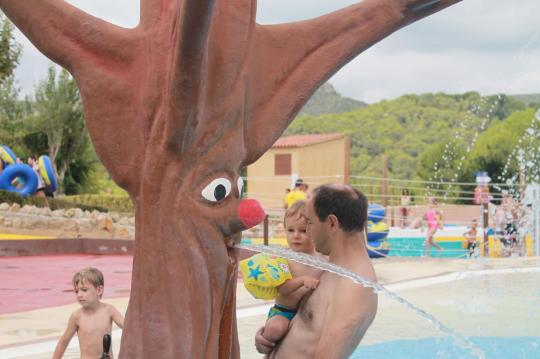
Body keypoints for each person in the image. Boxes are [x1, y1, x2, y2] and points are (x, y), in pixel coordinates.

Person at [255, 184, 378, 358]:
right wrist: (269, 336)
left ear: (332, 223)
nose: (309, 232)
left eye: (310, 223)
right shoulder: (331, 267)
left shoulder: (354, 287)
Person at [240, 200, 325, 345]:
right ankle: (268, 348)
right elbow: (282, 289)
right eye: (290, 230)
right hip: (284, 312)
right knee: (275, 329)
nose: (296, 236)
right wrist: (302, 280)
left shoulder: (323, 260)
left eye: (303, 230)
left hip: (310, 316)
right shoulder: (284, 259)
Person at [52, 267, 124, 359]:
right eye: (76, 291)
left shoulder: (109, 310)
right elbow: (64, 342)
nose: (79, 295)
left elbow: (127, 328)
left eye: (84, 290)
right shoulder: (77, 316)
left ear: (99, 290)